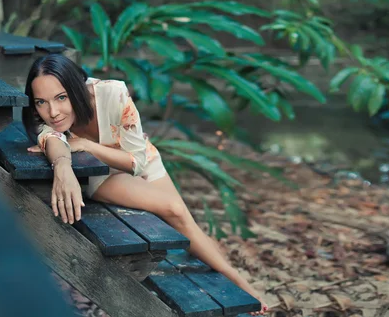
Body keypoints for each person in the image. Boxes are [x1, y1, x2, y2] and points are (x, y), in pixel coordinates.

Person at [22, 54, 268, 316]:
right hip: (102, 175)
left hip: (139, 158)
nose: (53, 112)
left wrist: (87, 145)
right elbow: (53, 140)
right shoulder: (44, 119)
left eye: (61, 97)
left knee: (183, 219)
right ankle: (237, 285)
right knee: (172, 208)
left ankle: (237, 283)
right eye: (41, 102)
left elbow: (137, 162)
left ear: (75, 88)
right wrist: (62, 166)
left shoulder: (112, 93)